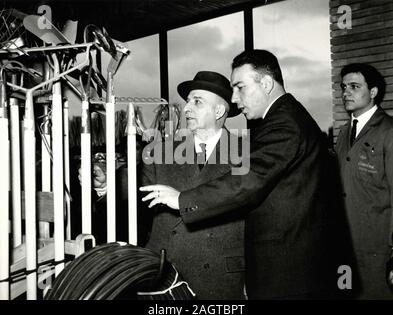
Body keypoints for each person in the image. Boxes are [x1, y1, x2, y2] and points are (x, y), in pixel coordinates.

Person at [141, 50, 345, 299]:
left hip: (281, 275)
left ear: (267, 83)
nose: (235, 98)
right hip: (171, 278)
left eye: (239, 87)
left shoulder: (281, 127)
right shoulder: (162, 151)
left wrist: (181, 199)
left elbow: (248, 183)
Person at [141, 71, 245, 299]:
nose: (186, 108)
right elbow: (135, 207)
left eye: (197, 102)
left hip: (220, 279)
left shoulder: (246, 153)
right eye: (187, 101)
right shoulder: (160, 153)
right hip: (166, 278)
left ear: (219, 111)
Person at [335, 63, 393, 299]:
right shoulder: (343, 132)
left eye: (354, 86)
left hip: (378, 250)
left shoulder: (388, 132)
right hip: (345, 246)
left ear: (373, 92)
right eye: (343, 86)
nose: (345, 92)